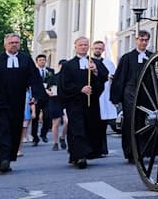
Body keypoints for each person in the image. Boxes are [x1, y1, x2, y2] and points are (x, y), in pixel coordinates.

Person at [0, 33, 49, 173]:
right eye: (11, 43)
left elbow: (34, 80)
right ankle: (2, 159)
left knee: (14, 130)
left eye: (16, 42)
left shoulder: (26, 60)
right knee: (0, 129)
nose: (14, 45)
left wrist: (36, 96)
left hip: (17, 102)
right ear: (5, 45)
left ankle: (8, 158)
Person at [59, 36, 108, 168]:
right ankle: (79, 156)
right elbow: (64, 84)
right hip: (75, 102)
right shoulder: (68, 65)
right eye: (81, 45)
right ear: (75, 46)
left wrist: (96, 71)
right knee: (77, 128)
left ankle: (86, 153)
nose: (83, 47)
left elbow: (104, 77)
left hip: (91, 103)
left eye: (86, 45)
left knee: (90, 127)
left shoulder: (94, 63)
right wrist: (80, 89)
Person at [110, 30, 153, 163]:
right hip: (130, 93)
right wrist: (115, 98)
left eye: (146, 40)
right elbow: (120, 78)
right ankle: (132, 152)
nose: (143, 42)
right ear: (136, 40)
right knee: (131, 123)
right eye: (141, 39)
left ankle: (144, 150)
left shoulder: (152, 56)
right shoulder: (127, 58)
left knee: (147, 122)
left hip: (147, 94)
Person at [92, 40, 118, 154]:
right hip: (94, 95)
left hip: (105, 95)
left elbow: (114, 79)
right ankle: (94, 148)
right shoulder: (89, 62)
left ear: (103, 50)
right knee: (94, 123)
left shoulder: (108, 62)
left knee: (103, 124)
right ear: (93, 49)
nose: (98, 50)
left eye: (100, 48)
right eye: (96, 48)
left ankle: (103, 148)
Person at [30, 54, 54, 145]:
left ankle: (43, 133)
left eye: (43, 60)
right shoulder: (34, 71)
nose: (42, 61)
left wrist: (52, 91)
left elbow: (53, 82)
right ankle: (35, 137)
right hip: (37, 96)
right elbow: (32, 84)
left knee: (47, 116)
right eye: (40, 60)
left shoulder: (50, 71)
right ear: (37, 62)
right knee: (35, 118)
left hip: (47, 97)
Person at [47, 59, 67, 151]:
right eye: (62, 65)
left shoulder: (70, 78)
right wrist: (49, 92)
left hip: (66, 101)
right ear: (59, 66)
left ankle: (62, 137)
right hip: (55, 101)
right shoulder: (54, 77)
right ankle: (55, 143)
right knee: (56, 123)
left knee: (67, 122)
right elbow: (47, 88)